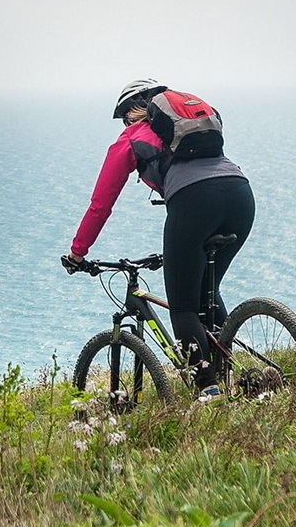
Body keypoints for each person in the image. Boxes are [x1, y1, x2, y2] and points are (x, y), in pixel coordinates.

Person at [66, 79, 255, 391]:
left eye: (125, 118)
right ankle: (229, 376)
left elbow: (100, 205)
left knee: (183, 307)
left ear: (131, 113)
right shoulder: (188, 130)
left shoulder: (130, 139)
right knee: (208, 289)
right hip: (240, 192)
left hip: (194, 201)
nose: (125, 124)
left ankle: (208, 393)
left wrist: (77, 252)